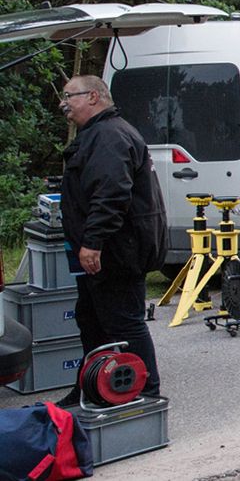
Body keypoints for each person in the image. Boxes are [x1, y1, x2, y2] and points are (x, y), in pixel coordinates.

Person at [56, 75, 168, 406]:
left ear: (93, 97)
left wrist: (93, 242)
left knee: (124, 322)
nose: (65, 105)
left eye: (69, 97)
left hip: (116, 251)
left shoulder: (110, 136)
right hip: (100, 250)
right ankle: (90, 388)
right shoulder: (95, 134)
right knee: (91, 320)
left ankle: (146, 391)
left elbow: (111, 195)